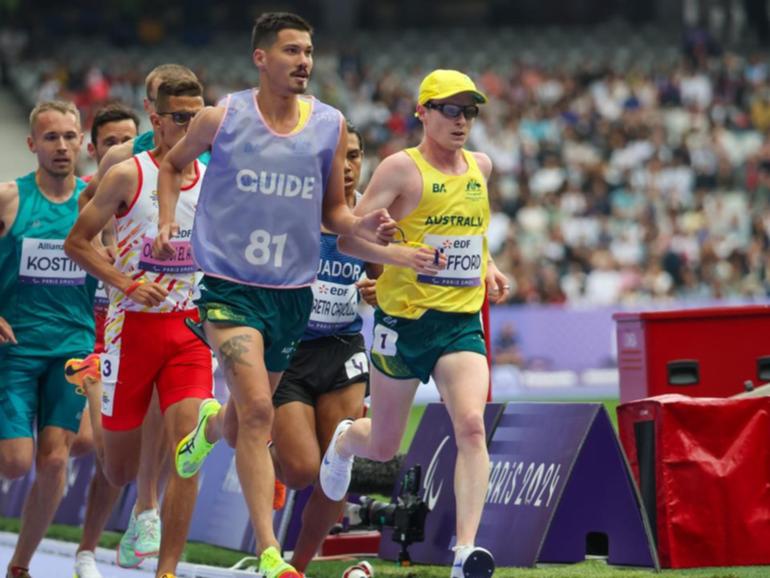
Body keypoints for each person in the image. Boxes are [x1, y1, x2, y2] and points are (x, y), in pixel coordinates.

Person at [152, 12, 397, 578]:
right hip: (229, 290)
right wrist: (168, 221)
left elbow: (334, 213)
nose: (304, 60)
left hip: (290, 295)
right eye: (291, 50)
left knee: (241, 421)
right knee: (260, 409)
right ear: (261, 58)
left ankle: (211, 427)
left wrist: (370, 235)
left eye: (308, 50)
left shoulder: (329, 125)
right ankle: (269, 555)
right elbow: (172, 164)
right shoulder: (224, 116)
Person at [318, 69, 510, 578]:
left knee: (471, 425)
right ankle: (343, 440)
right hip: (402, 325)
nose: (462, 120)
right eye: (450, 109)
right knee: (382, 447)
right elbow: (347, 241)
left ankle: (466, 552)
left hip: (459, 323)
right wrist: (399, 254)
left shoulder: (481, 167)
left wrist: (488, 267)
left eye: (469, 111)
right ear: (423, 112)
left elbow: (474, 234)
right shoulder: (399, 171)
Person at [64, 76, 212, 578]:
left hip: (188, 333)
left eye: (199, 117)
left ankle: (166, 568)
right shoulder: (129, 174)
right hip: (131, 333)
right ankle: (92, 383)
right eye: (180, 118)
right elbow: (77, 242)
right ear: (156, 121)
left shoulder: (215, 178)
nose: (191, 127)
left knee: (187, 450)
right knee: (119, 470)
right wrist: (125, 283)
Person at [269, 122, 380, 574]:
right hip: (291, 353)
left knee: (336, 465)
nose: (348, 166)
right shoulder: (290, 213)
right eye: (339, 157)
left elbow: (388, 280)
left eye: (354, 156)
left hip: (343, 349)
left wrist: (379, 290)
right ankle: (267, 457)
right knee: (299, 471)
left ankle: (299, 565)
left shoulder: (372, 218)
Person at [0, 100, 96, 578]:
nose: (62, 146)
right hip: (15, 348)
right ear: (32, 143)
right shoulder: (9, 198)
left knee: (55, 461)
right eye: (51, 137)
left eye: (69, 136)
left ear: (82, 141)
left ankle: (19, 566)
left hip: (73, 347)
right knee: (16, 463)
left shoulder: (94, 202)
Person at [67, 102, 140, 578]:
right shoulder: (82, 204)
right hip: (83, 344)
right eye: (111, 143)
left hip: (134, 341)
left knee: (125, 460)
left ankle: (89, 551)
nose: (121, 151)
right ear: (94, 151)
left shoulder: (151, 196)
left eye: (129, 142)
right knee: (88, 441)